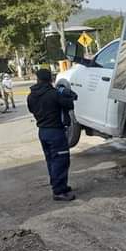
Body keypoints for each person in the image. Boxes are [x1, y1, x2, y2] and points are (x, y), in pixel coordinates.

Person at [27, 69, 78, 201]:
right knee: (60, 161)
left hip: (43, 131)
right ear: (50, 79)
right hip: (56, 132)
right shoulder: (54, 94)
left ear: (37, 79)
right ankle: (59, 191)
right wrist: (67, 94)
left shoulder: (31, 96)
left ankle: (58, 185)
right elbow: (70, 104)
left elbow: (32, 109)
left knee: (51, 160)